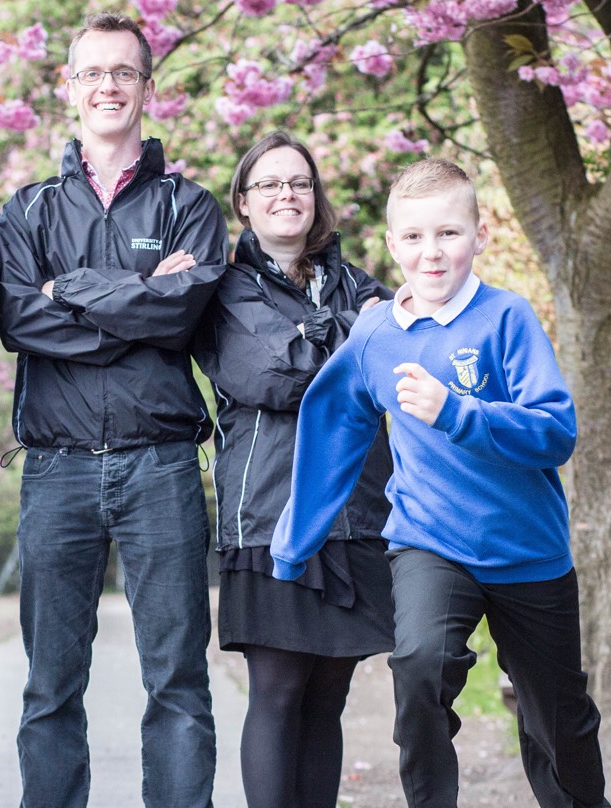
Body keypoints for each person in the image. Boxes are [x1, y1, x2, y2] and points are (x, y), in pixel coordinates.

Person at [272, 158, 610, 808]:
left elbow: (555, 432)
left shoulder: (506, 319)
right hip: (430, 544)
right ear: (394, 244)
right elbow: (332, 427)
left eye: (449, 234)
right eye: (417, 237)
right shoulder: (374, 335)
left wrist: (456, 411)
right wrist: (295, 541)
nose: (433, 252)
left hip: (529, 552)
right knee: (419, 666)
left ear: (479, 236)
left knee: (558, 720)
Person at [0, 12, 227, 808]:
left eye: (123, 72)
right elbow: (22, 322)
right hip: (54, 473)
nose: (108, 87)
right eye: (92, 72)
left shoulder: (189, 206)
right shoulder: (25, 211)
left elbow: (179, 318)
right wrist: (139, 293)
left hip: (159, 467)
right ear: (68, 88)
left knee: (178, 681)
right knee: (51, 685)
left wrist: (73, 290)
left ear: (147, 87)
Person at [192, 131, 394, 808]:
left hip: (357, 514)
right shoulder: (223, 289)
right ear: (244, 203)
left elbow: (391, 362)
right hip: (270, 514)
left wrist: (326, 334)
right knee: (278, 693)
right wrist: (352, 332)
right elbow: (275, 378)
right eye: (271, 184)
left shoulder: (360, 283)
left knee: (328, 697)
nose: (288, 194)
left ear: (316, 198)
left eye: (300, 183)